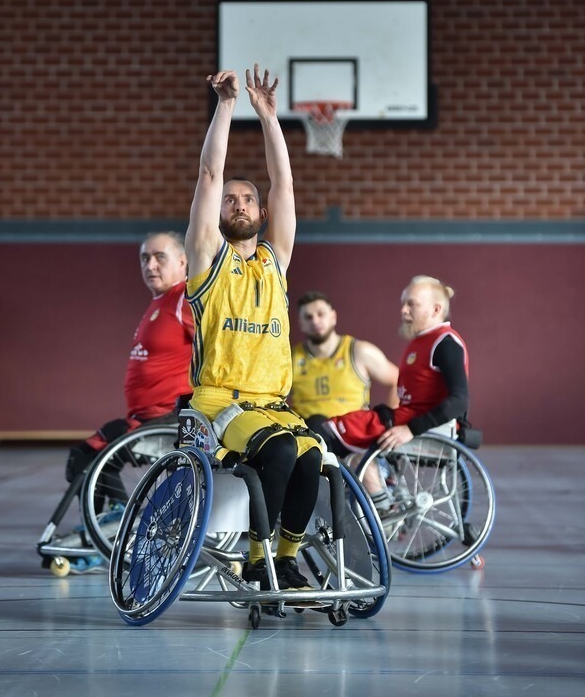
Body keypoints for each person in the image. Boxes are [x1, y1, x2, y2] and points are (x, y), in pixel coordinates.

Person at [185, 64, 323, 591]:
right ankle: (256, 556)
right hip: (220, 405)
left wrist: (268, 117)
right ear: (217, 212)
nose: (238, 203)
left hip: (272, 406)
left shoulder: (275, 261)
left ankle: (283, 561)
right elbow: (208, 175)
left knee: (312, 457)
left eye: (247, 199)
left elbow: (285, 181)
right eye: (230, 199)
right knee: (283, 450)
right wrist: (226, 107)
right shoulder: (206, 259)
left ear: (261, 211)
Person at [315, 276, 470, 507]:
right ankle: (377, 499)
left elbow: (459, 401)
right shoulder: (420, 341)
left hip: (421, 425)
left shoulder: (445, 342)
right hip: (406, 417)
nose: (403, 310)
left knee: (327, 432)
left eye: (412, 304)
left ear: (436, 309)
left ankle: (381, 509)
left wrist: (410, 429)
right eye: (403, 303)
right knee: (341, 439)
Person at [64, 230, 194, 484]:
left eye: (159, 257)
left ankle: (108, 520)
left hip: (166, 417)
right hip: (142, 417)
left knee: (91, 458)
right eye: (145, 258)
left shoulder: (184, 298)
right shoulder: (159, 302)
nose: (150, 265)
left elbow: (214, 346)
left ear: (182, 261)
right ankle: (109, 518)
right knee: (84, 457)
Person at [289, 290, 398, 428]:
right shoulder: (290, 358)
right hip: (307, 436)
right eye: (308, 317)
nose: (315, 321)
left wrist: (389, 422)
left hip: (351, 434)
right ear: (301, 323)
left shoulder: (358, 351)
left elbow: (398, 379)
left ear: (333, 317)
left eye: (321, 314)